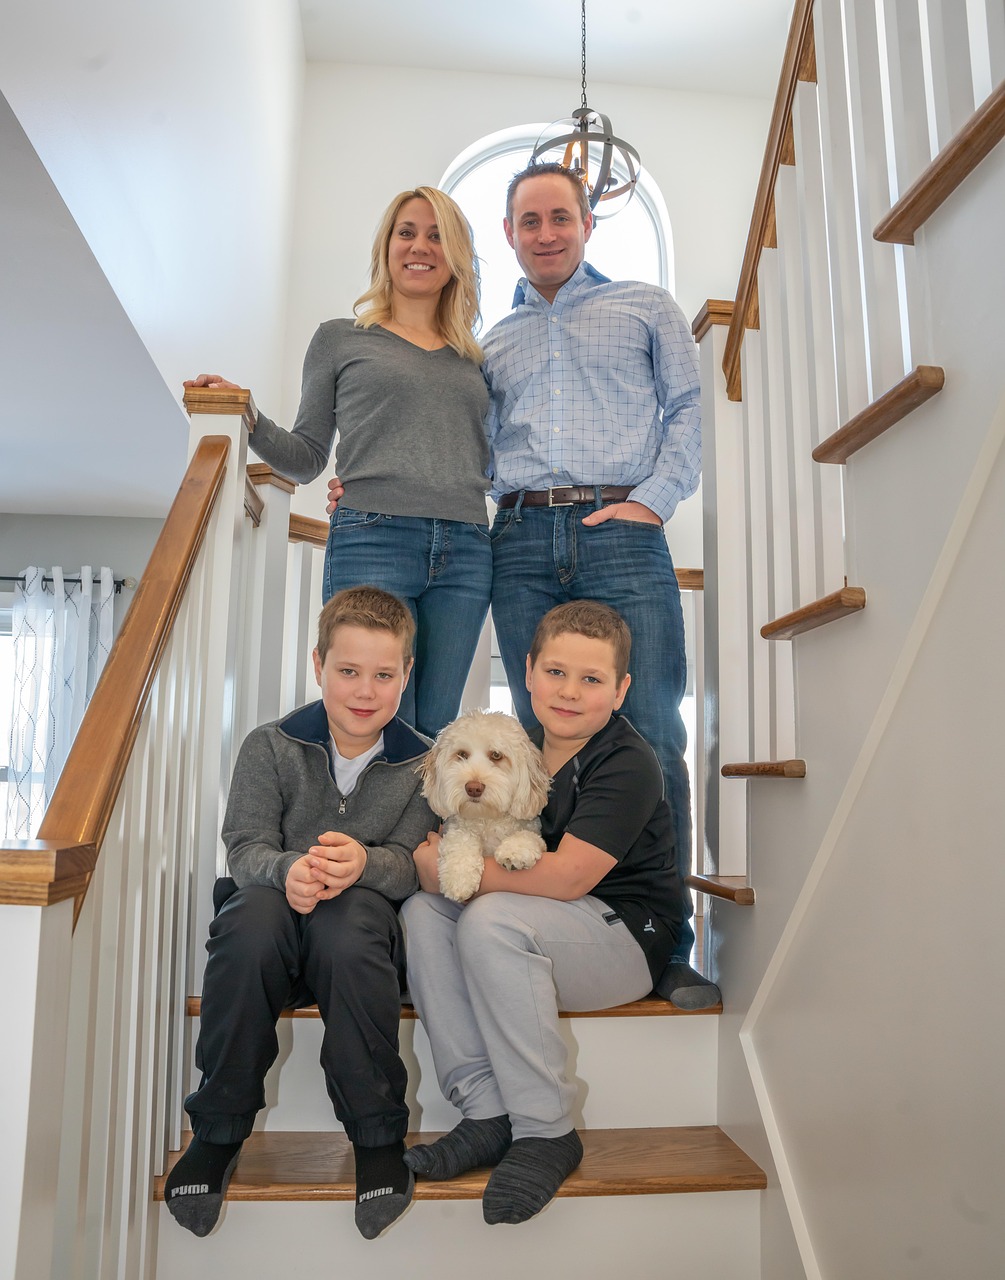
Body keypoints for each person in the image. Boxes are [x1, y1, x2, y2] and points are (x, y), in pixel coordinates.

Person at [400, 601, 688, 1224]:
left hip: (626, 938)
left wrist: (442, 866)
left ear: (620, 690)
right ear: (527, 672)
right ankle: (485, 1112)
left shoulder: (627, 761)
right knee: (425, 913)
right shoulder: (517, 746)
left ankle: (546, 1128)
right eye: (556, 672)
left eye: (591, 680)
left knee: (486, 916)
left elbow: (565, 878)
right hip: (550, 926)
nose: (569, 692)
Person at [163, 586, 432, 1241]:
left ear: (405, 675)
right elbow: (244, 845)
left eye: (383, 674)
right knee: (251, 919)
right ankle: (218, 1130)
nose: (364, 690)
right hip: (270, 933)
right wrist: (290, 870)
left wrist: (364, 865)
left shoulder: (424, 762)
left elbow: (410, 859)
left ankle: (375, 1136)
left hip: (354, 946)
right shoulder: (271, 745)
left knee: (351, 926)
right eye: (347, 671)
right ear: (318, 666)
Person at [185, 186, 492, 741]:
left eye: (436, 236)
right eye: (407, 232)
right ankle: (356, 833)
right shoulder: (339, 339)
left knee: (436, 728)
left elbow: (485, 456)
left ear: (456, 258)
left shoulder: (475, 360)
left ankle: (414, 834)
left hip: (468, 549)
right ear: (386, 246)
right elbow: (305, 458)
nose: (420, 246)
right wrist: (247, 412)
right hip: (374, 538)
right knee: (373, 717)